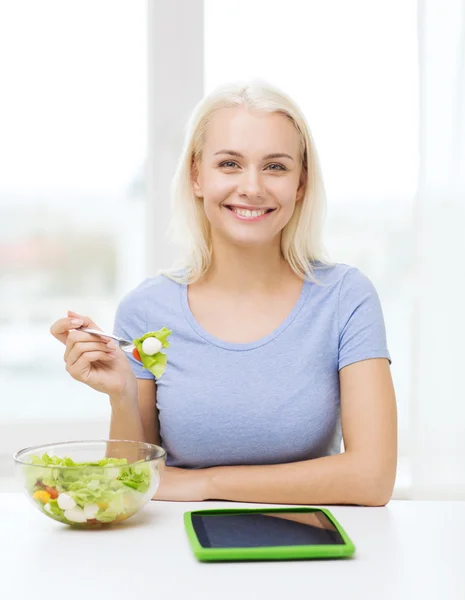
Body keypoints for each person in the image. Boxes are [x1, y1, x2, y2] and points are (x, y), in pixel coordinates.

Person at [50, 80, 397, 506]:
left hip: (309, 552)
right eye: (230, 164)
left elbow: (373, 478)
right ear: (197, 175)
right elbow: (131, 484)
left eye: (275, 167)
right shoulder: (145, 310)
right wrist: (122, 395)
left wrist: (205, 484)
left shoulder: (345, 298)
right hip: (174, 551)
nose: (252, 187)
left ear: (301, 183)